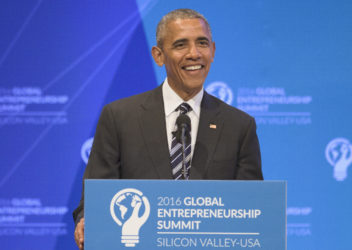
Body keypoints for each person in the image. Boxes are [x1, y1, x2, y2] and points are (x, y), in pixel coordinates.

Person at [73, 8, 263, 249]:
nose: (194, 54)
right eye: (181, 45)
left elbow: (252, 208)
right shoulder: (120, 117)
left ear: (213, 51)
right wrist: (87, 219)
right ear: (158, 55)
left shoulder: (239, 126)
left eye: (202, 43)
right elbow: (96, 195)